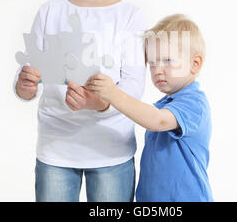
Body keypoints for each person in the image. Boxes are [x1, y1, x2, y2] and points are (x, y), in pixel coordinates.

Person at [13, 0, 146, 202]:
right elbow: (31, 73)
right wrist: (23, 86)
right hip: (56, 150)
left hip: (111, 150)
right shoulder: (51, 12)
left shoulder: (129, 16)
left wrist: (99, 103)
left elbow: (134, 85)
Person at [86, 14, 213, 201]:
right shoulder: (164, 104)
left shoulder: (194, 103)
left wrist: (113, 93)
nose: (157, 70)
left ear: (195, 64)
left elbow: (158, 120)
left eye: (167, 61)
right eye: (152, 63)